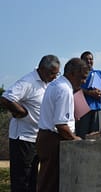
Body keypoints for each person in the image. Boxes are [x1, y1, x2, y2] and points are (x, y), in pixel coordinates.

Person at [0, 55, 60, 192]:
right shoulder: (28, 82)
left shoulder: (48, 84)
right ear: (42, 69)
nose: (54, 77)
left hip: (37, 138)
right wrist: (22, 112)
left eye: (56, 74)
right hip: (23, 139)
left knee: (33, 179)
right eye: (52, 73)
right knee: (22, 180)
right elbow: (6, 98)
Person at [36, 58, 89, 192]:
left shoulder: (55, 84)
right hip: (54, 140)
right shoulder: (64, 89)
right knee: (51, 184)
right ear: (72, 73)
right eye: (82, 77)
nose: (83, 82)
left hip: (47, 138)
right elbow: (61, 125)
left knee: (47, 181)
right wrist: (75, 139)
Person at [75, 51, 101, 139]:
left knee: (96, 136)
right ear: (81, 61)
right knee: (82, 136)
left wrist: (100, 93)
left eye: (91, 59)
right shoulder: (77, 74)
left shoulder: (100, 73)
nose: (89, 61)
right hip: (82, 109)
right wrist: (88, 92)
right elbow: (74, 88)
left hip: (97, 108)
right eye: (86, 59)